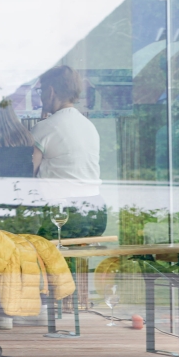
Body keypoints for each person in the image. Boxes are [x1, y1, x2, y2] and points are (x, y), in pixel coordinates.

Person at [32, 65, 106, 238]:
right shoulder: (88, 125)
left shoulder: (44, 128)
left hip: (63, 213)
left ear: (51, 91)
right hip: (96, 209)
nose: (41, 97)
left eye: (41, 91)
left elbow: (30, 174)